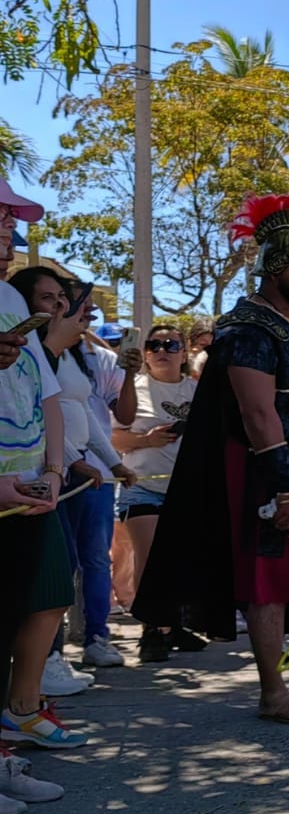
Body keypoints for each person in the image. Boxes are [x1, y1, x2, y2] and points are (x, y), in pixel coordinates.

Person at [133, 191, 289, 725]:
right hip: (273, 474)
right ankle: (273, 694)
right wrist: (286, 488)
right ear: (273, 267)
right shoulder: (248, 330)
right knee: (270, 581)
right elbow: (258, 414)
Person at [10, 268, 137, 677]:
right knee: (52, 574)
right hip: (41, 479)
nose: (66, 308)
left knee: (82, 565)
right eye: (50, 299)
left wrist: (111, 462)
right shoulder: (31, 352)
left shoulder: (69, 357)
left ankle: (65, 656)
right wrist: (67, 463)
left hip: (69, 476)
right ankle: (46, 662)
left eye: (64, 300)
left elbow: (79, 416)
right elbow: (37, 415)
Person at [0, 179, 85, 757]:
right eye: (0, 214)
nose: (9, 225)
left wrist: (55, 471)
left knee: (52, 590)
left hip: (32, 484)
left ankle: (21, 711)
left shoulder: (10, 302)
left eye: (11, 216)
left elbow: (46, 392)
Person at [110, 325, 199, 663]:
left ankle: (171, 625)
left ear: (184, 353)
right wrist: (147, 440)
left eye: (171, 344)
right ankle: (150, 630)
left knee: (180, 561)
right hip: (142, 487)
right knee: (148, 560)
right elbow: (113, 437)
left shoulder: (198, 390)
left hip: (187, 491)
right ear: (145, 352)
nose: (162, 350)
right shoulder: (132, 388)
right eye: (154, 344)